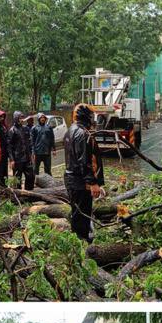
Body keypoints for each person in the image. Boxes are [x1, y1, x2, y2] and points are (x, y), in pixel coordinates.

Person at [63, 103, 103, 243]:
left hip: (72, 179)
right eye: (91, 116)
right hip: (80, 182)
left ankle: (79, 241)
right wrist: (92, 183)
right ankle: (82, 243)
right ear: (86, 116)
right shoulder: (82, 133)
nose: (93, 119)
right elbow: (84, 161)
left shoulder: (70, 130)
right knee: (82, 214)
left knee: (78, 212)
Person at [9, 110, 36, 191]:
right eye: (20, 117)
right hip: (17, 159)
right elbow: (9, 146)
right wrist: (11, 160)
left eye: (22, 117)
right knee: (17, 178)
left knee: (31, 175)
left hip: (27, 157)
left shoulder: (25, 128)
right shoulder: (12, 130)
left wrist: (31, 155)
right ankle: (18, 195)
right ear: (16, 118)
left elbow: (29, 142)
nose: (22, 119)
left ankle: (29, 192)